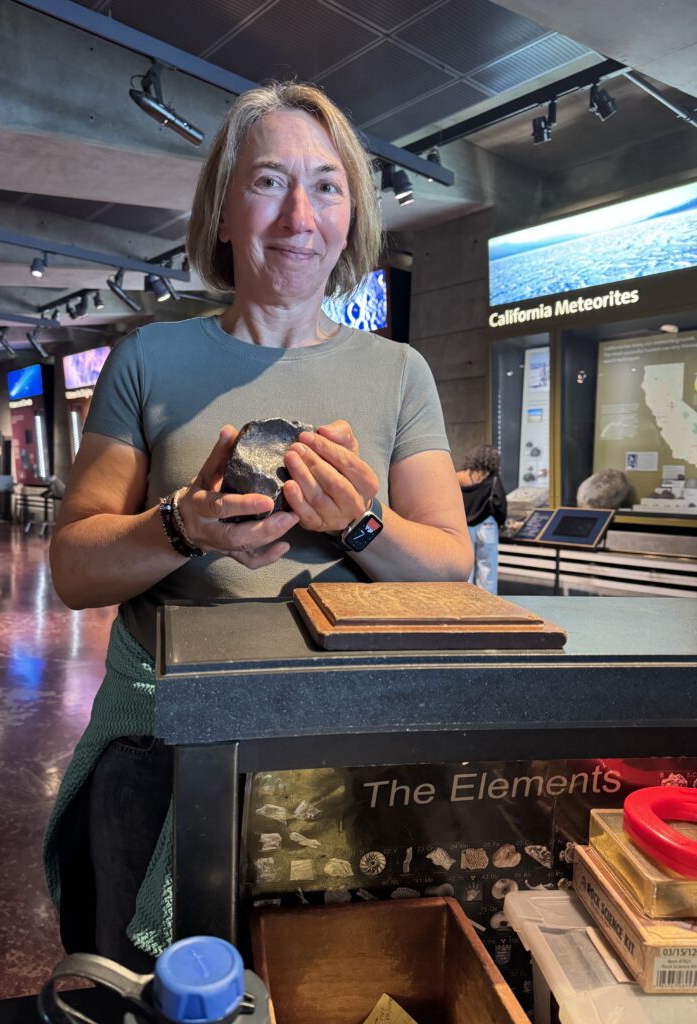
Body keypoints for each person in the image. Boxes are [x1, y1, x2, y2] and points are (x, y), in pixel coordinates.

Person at [45, 81, 472, 970]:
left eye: (326, 185)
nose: (298, 216)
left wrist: (360, 524)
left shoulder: (399, 373)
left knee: (318, 978)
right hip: (162, 747)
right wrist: (183, 526)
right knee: (142, 985)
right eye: (269, 181)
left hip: (341, 746)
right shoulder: (150, 358)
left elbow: (450, 565)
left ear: (351, 214)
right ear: (224, 211)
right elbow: (74, 569)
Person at [456, 445, 507, 594]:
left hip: (464, 527)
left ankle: (465, 599)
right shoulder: (493, 479)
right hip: (487, 525)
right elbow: (500, 504)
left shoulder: (460, 477)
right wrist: (501, 522)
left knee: (466, 566)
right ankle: (488, 601)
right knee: (487, 566)